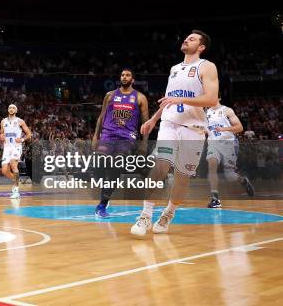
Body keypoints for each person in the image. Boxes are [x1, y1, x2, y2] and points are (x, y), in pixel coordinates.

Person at [131, 30, 218, 237]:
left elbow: (212, 99)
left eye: (193, 38)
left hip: (194, 130)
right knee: (160, 166)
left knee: (182, 178)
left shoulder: (206, 67)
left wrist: (182, 100)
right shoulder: (175, 69)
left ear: (202, 47)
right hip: (170, 125)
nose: (187, 39)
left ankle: (168, 214)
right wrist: (153, 119)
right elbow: (170, 99)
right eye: (187, 37)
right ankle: (145, 215)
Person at [91, 69, 149, 217]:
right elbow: (101, 117)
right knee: (99, 162)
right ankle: (106, 190)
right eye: (122, 75)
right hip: (108, 135)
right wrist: (95, 137)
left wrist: (144, 143)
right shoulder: (110, 95)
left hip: (127, 138)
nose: (124, 77)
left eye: (128, 75)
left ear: (133, 79)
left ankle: (102, 204)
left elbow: (146, 124)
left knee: (115, 169)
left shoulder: (140, 98)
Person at [205, 100, 254, 208]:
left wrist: (223, 129)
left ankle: (243, 180)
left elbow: (239, 127)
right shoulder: (205, 113)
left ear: (218, 98)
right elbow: (204, 128)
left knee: (230, 176)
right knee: (212, 165)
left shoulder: (227, 110)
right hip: (213, 143)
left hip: (229, 143)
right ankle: (215, 199)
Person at [0, 104, 32, 199]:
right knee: (4, 170)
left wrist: (22, 140)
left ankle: (16, 190)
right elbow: (1, 133)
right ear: (8, 110)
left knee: (13, 164)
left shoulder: (20, 121)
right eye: (10, 107)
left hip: (16, 146)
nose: (11, 109)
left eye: (13, 108)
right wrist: (1, 136)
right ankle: (16, 180)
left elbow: (29, 134)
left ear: (16, 110)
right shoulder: (3, 121)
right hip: (7, 147)